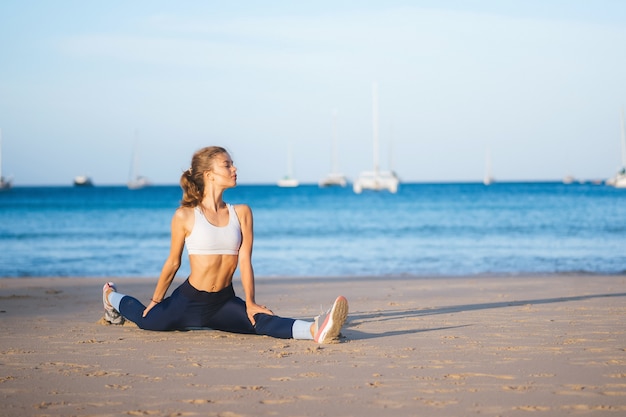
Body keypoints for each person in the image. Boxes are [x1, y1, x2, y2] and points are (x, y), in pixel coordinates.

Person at [102, 146, 348, 343]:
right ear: (209, 175)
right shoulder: (185, 215)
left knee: (259, 321)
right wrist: (156, 301)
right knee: (147, 320)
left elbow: (245, 261)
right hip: (187, 300)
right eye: (227, 164)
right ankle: (111, 296)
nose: (234, 168)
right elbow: (173, 262)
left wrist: (250, 302)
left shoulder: (241, 212)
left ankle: (317, 329)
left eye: (232, 164)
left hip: (222, 302)